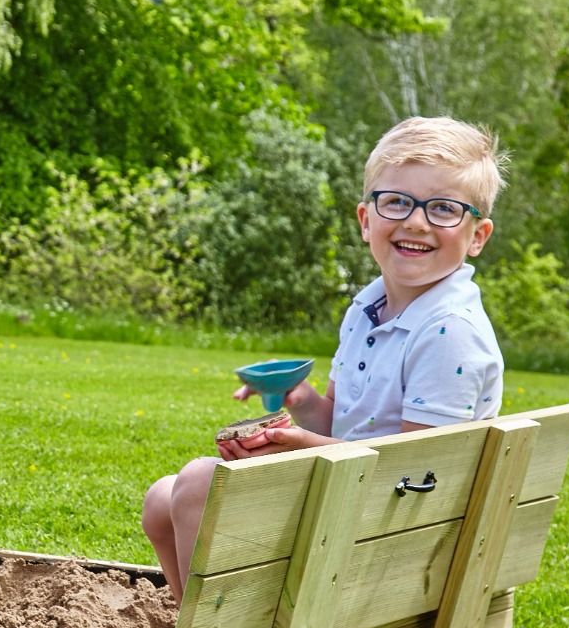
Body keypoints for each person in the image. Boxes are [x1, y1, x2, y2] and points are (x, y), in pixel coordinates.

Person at [143, 115, 507, 600]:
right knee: (161, 499)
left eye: (443, 209)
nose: (415, 221)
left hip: (396, 542)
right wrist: (301, 402)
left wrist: (298, 447)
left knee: (198, 483)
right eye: (396, 201)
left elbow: (416, 476)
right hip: (347, 505)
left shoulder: (448, 333)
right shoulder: (367, 308)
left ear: (477, 236)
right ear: (366, 220)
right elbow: (339, 425)